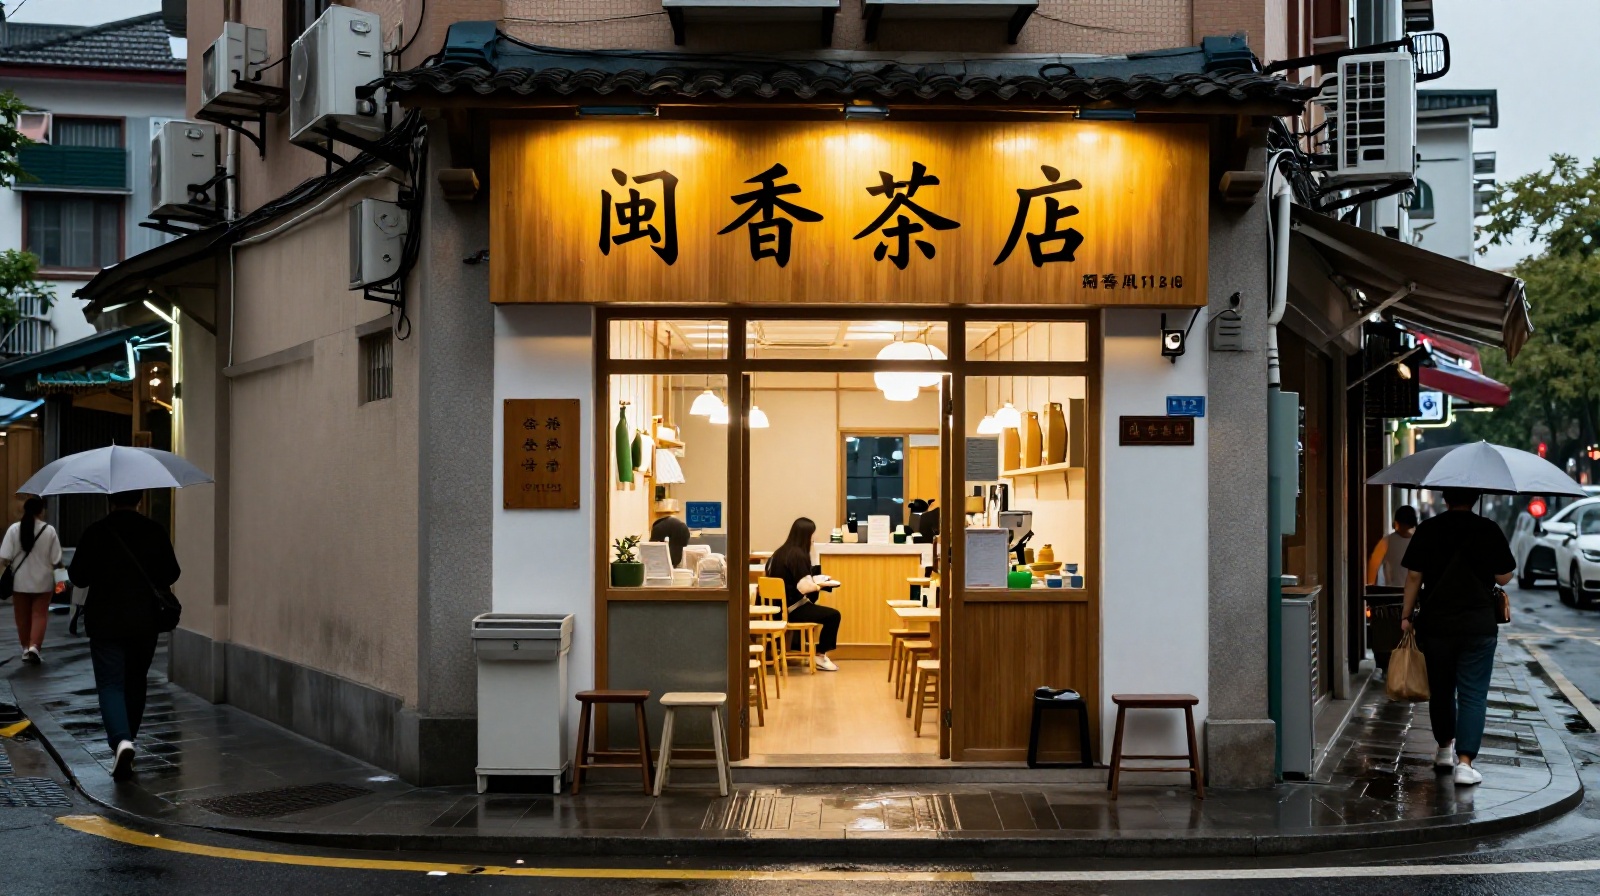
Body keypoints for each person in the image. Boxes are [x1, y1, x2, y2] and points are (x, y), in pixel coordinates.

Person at [1399, 487, 1516, 788]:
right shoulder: (1487, 529)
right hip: (1478, 625)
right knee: (1473, 694)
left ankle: (1442, 751)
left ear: (1445, 498)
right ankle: (1465, 764)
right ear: (1476, 498)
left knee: (1441, 689)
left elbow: (1414, 576)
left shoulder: (1429, 529)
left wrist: (1406, 615)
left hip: (1436, 625)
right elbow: (1504, 577)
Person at [68, 490, 181, 780]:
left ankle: (121, 741)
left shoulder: (96, 532)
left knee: (110, 684)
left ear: (110, 500)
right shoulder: (154, 530)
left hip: (105, 621)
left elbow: (78, 576)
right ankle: (128, 739)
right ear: (140, 499)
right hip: (144, 620)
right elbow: (171, 573)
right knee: (135, 681)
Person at [765, 517, 842, 672]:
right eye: (813, 534)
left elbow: (794, 580)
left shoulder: (780, 552)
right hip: (792, 609)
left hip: (776, 608)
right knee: (833, 615)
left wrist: (814, 581)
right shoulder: (798, 555)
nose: (815, 537)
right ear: (806, 535)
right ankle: (820, 655)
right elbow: (804, 587)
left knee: (824, 611)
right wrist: (820, 584)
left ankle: (815, 653)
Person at [2, 496, 63, 664]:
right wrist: (62, 582)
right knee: (39, 615)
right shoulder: (49, 530)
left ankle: (24, 648)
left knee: (21, 617)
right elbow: (57, 560)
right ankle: (34, 646)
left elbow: (4, 556)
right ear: (41, 511)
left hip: (20, 581)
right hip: (43, 581)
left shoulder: (14, 529)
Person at [1366, 504, 1418, 586]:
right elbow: (1373, 565)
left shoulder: (1418, 542)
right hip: (1395, 591)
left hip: (1407, 592)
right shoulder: (1387, 541)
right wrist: (1370, 586)